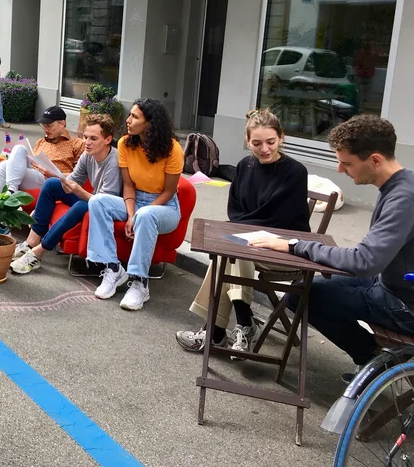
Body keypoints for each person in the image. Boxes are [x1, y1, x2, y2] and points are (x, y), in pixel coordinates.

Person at [250, 115, 414, 379]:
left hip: (403, 303)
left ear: (375, 160)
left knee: (303, 298)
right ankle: (374, 360)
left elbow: (364, 261)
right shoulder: (403, 183)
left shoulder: (403, 198)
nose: (339, 169)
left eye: (346, 162)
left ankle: (373, 361)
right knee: (302, 291)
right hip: (391, 282)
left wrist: (294, 246)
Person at [175, 109, 310, 356]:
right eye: (256, 143)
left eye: (270, 142)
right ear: (248, 141)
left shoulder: (295, 172)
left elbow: (281, 219)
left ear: (282, 138)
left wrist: (240, 231)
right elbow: (235, 209)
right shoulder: (244, 166)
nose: (264, 149)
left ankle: (221, 329)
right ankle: (239, 325)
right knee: (233, 250)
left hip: (286, 248)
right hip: (247, 242)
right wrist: (240, 231)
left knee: (232, 251)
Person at [87, 99, 184, 310]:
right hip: (135, 200)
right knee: (97, 201)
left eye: (135, 117)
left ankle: (140, 283)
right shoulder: (125, 143)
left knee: (147, 215)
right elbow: (128, 186)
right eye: (130, 115)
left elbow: (168, 192)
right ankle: (112, 268)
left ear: (150, 123)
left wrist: (140, 214)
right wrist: (131, 215)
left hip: (165, 207)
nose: (128, 120)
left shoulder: (173, 148)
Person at [10, 114, 122, 275]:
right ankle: (30, 242)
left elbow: (102, 202)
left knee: (80, 205)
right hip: (94, 197)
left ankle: (37, 253)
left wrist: (78, 190)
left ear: (108, 139)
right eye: (85, 137)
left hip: (109, 206)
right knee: (51, 185)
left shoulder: (114, 161)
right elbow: (72, 180)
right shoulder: (88, 155)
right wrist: (50, 182)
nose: (87, 143)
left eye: (93, 138)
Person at [0, 106, 84, 194]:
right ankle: (8, 196)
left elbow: (79, 176)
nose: (46, 130)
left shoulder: (76, 144)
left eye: (49, 126)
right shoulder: (41, 141)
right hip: (34, 174)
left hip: (53, 181)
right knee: (10, 157)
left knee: (5, 167)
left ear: (62, 123)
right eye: (44, 126)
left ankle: (8, 195)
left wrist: (53, 174)